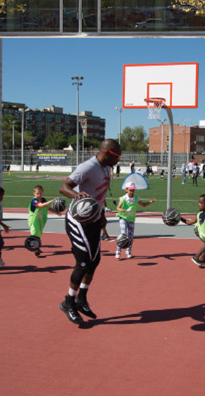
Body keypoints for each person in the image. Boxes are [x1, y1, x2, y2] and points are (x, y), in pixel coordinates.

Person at [57, 138, 122, 327]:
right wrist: (76, 195)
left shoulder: (106, 168)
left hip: (93, 220)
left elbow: (98, 195)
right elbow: (64, 187)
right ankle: (68, 302)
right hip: (78, 221)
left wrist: (101, 214)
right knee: (83, 263)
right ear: (108, 153)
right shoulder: (88, 167)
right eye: (117, 156)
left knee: (95, 261)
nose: (119, 160)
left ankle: (81, 299)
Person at [114, 177, 154, 260]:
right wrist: (125, 210)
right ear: (126, 190)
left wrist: (150, 202)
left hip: (131, 219)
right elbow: (118, 208)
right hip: (123, 218)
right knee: (123, 234)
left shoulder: (136, 198)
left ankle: (128, 251)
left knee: (131, 236)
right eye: (130, 190)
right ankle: (118, 251)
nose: (132, 191)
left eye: (133, 190)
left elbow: (143, 205)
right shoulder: (123, 198)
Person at [26, 185, 51, 256]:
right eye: (37, 193)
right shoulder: (34, 201)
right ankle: (35, 249)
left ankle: (36, 247)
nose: (39, 195)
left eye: (40, 193)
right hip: (33, 220)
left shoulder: (43, 200)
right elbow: (41, 205)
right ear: (34, 193)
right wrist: (51, 201)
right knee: (35, 234)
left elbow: (47, 207)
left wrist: (56, 211)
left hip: (40, 220)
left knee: (38, 235)